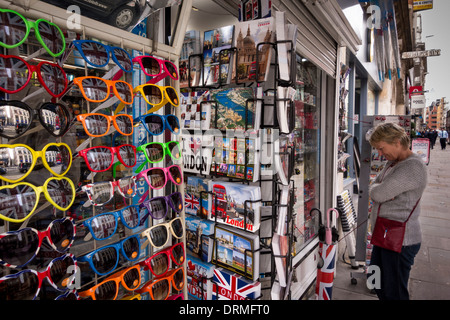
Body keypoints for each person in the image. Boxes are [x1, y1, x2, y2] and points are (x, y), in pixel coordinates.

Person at [367, 122, 427, 300]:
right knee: (376, 282)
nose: (380, 154)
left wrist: (380, 191)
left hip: (400, 241)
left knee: (395, 292)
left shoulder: (412, 166)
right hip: (384, 235)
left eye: (381, 148)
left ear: (396, 141)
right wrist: (379, 190)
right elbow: (375, 187)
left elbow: (378, 193)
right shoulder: (393, 163)